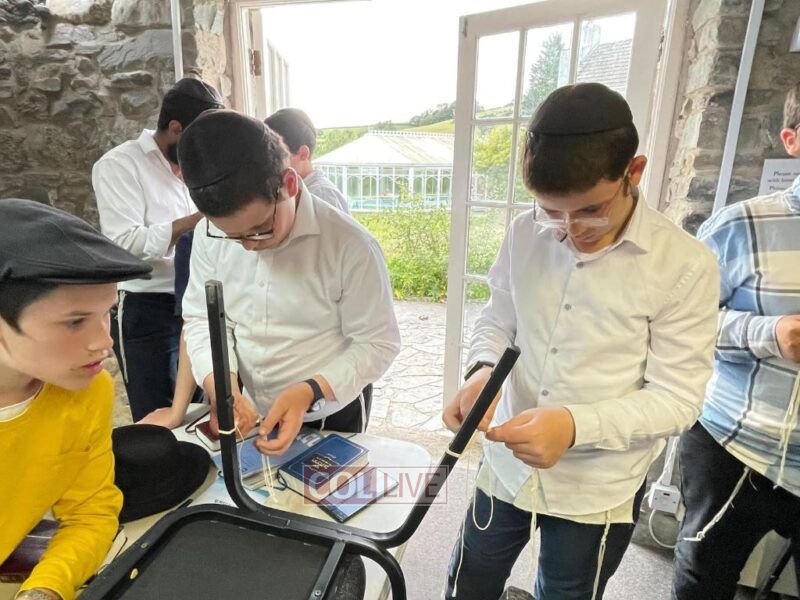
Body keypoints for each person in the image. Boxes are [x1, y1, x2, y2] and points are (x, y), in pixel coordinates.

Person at [441, 83, 719, 600]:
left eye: (591, 210)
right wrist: (482, 371)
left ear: (634, 171)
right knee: (468, 579)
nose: (570, 230)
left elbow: (678, 398)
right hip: (506, 463)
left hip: (598, 484)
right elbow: (498, 318)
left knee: (567, 593)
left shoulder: (684, 264)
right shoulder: (524, 232)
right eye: (551, 211)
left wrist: (574, 426)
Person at [177, 109, 400, 454]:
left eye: (260, 229)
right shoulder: (210, 233)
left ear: (289, 184)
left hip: (327, 412)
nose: (249, 246)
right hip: (250, 408)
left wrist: (311, 390)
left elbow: (378, 343)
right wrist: (222, 387)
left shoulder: (351, 245)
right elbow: (201, 320)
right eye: (233, 237)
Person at [672, 83, 800, 599]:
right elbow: (682, 322)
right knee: (702, 579)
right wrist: (769, 332)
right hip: (734, 443)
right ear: (792, 140)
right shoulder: (740, 225)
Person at [0, 199, 151, 600]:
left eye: (107, 313)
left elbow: (90, 513)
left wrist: (46, 588)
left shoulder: (88, 390)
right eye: (75, 322)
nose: (104, 341)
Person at [92, 78, 224, 422]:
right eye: (197, 138)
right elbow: (124, 245)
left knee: (202, 408)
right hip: (148, 307)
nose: (203, 149)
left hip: (198, 304)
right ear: (176, 128)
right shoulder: (119, 165)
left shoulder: (198, 163)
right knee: (157, 413)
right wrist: (195, 221)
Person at [265, 107, 349, 213]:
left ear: (303, 153)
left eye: (278, 157)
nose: (271, 166)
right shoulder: (291, 190)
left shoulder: (321, 196)